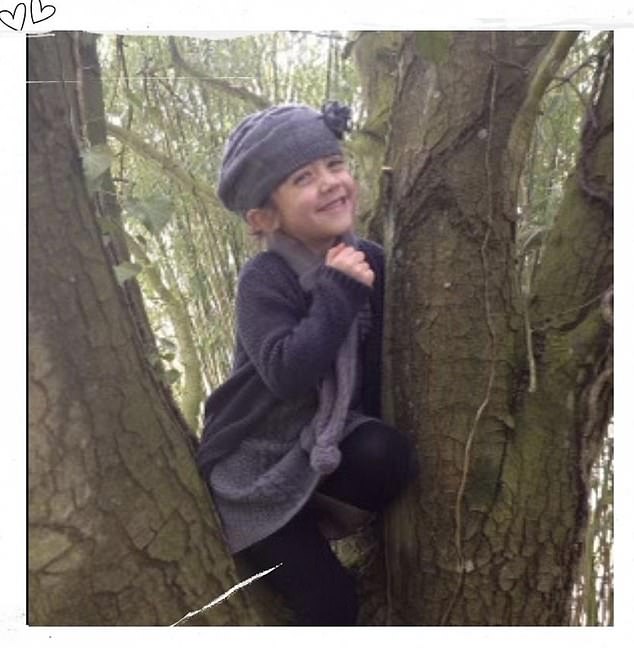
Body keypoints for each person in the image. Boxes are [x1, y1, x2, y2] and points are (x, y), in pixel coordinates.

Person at [196, 102, 417, 625]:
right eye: (304, 177)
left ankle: (312, 521)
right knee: (332, 602)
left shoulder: (372, 260)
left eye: (335, 165)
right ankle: (288, 540)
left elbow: (378, 370)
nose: (331, 183)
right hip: (256, 469)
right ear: (263, 218)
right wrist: (339, 291)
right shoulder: (264, 278)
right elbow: (287, 372)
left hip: (317, 452)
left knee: (386, 451)